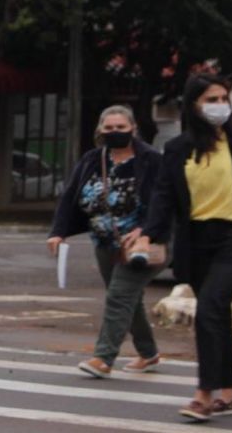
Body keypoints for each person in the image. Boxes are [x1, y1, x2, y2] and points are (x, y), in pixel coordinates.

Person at [142, 74, 232, 422]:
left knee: (210, 309)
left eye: (223, 98)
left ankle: (203, 394)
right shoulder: (177, 149)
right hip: (197, 241)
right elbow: (164, 197)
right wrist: (149, 234)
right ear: (193, 105)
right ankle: (228, 393)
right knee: (217, 313)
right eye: (210, 99)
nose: (219, 105)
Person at [48, 105, 165, 378]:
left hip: (143, 243)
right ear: (100, 130)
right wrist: (58, 231)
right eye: (109, 128)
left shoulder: (150, 160)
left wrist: (146, 229)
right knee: (127, 298)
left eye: (121, 128)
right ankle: (148, 353)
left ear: (133, 129)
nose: (115, 133)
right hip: (104, 242)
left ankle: (103, 357)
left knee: (119, 295)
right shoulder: (92, 159)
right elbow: (70, 197)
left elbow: (164, 201)